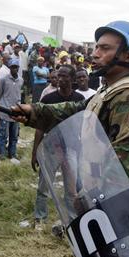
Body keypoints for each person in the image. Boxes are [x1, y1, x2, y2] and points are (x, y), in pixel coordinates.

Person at [13, 21, 129, 221]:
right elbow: (77, 110)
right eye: (96, 47)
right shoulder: (111, 90)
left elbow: (126, 168)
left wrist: (92, 205)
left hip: (121, 211)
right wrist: (33, 111)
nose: (95, 54)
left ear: (127, 55)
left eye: (104, 48)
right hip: (102, 199)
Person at [32, 65, 84, 230]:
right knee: (44, 186)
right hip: (51, 148)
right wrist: (35, 152)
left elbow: (83, 126)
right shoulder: (48, 99)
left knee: (71, 190)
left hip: (71, 148)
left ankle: (70, 222)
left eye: (65, 76)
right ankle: (40, 218)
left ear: (72, 79)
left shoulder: (79, 99)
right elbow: (40, 127)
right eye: (59, 76)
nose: (61, 79)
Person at [0, 59, 23, 160]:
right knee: (3, 134)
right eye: (12, 67)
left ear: (18, 68)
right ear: (9, 68)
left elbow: (18, 94)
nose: (14, 69)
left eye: (16, 67)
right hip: (5, 110)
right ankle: (1, 154)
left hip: (16, 111)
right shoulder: (3, 79)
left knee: (14, 135)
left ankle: (12, 153)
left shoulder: (21, 80)